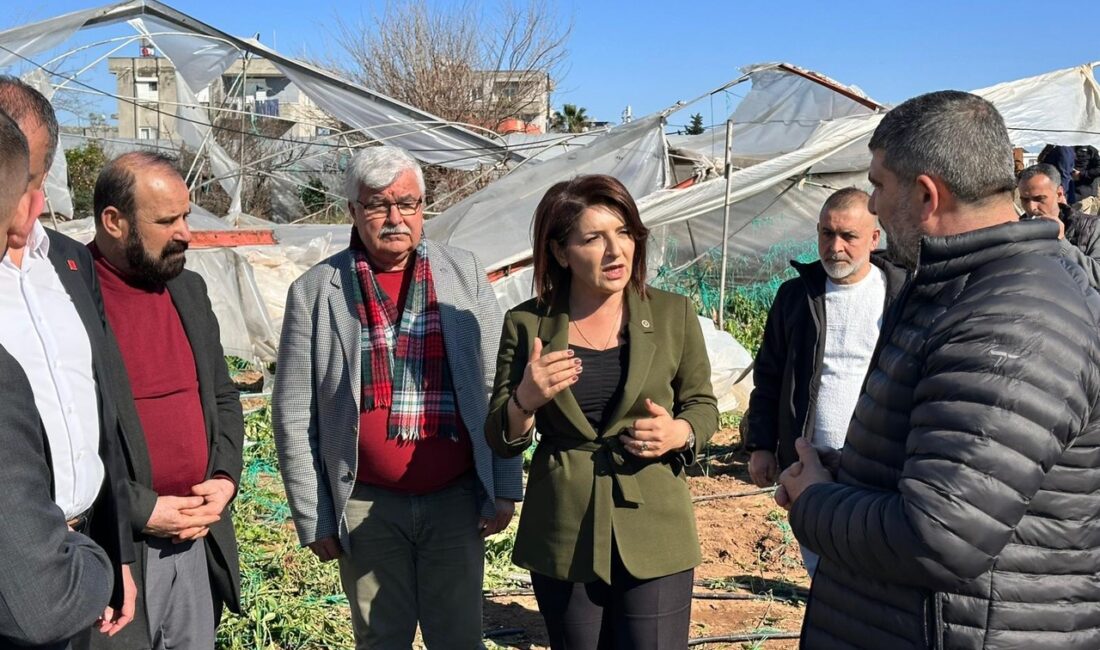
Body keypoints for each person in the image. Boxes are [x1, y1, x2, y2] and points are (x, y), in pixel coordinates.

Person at [778, 90, 1100, 649]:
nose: (873, 205)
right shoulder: (959, 286)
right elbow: (952, 457)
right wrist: (850, 470)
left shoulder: (1015, 317)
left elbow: (940, 533)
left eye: (878, 185)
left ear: (926, 194)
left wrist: (815, 501)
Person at [273, 145, 523, 649]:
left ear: (422, 208)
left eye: (406, 203)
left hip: (455, 499)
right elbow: (294, 411)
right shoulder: (316, 290)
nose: (394, 218)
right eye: (377, 205)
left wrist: (504, 484)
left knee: (458, 638)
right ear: (353, 212)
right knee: (380, 639)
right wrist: (314, 513)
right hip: (366, 504)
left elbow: (501, 383)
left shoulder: (463, 274)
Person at [485, 174, 719, 649]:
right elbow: (499, 437)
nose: (616, 251)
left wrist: (680, 432)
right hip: (564, 526)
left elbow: (702, 404)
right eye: (593, 238)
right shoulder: (527, 324)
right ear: (559, 252)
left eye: (624, 233)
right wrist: (525, 400)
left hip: (655, 525)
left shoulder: (672, 313)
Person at [0, 74, 137, 641]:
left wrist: (116, 549)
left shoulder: (72, 265)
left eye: (29, 181)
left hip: (81, 556)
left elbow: (101, 418)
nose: (24, 211)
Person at [89, 152, 243, 649]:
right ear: (114, 221)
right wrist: (140, 509)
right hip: (120, 546)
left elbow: (221, 395)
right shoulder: (73, 297)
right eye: (166, 220)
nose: (185, 233)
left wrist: (223, 480)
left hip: (195, 540)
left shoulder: (188, 289)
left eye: (186, 216)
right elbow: (62, 439)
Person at [744, 187, 904, 576]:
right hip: (811, 460)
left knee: (875, 566)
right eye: (825, 234)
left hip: (878, 462)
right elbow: (769, 374)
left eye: (848, 236)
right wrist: (761, 445)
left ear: (874, 238)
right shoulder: (796, 297)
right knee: (820, 565)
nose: (835, 247)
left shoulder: (899, 294)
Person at [1017, 163, 1100, 288]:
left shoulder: (1091, 227)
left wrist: (1062, 244)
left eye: (1039, 199)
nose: (1031, 207)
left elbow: (1097, 277)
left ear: (1059, 194)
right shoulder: (1017, 230)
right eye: (1024, 199)